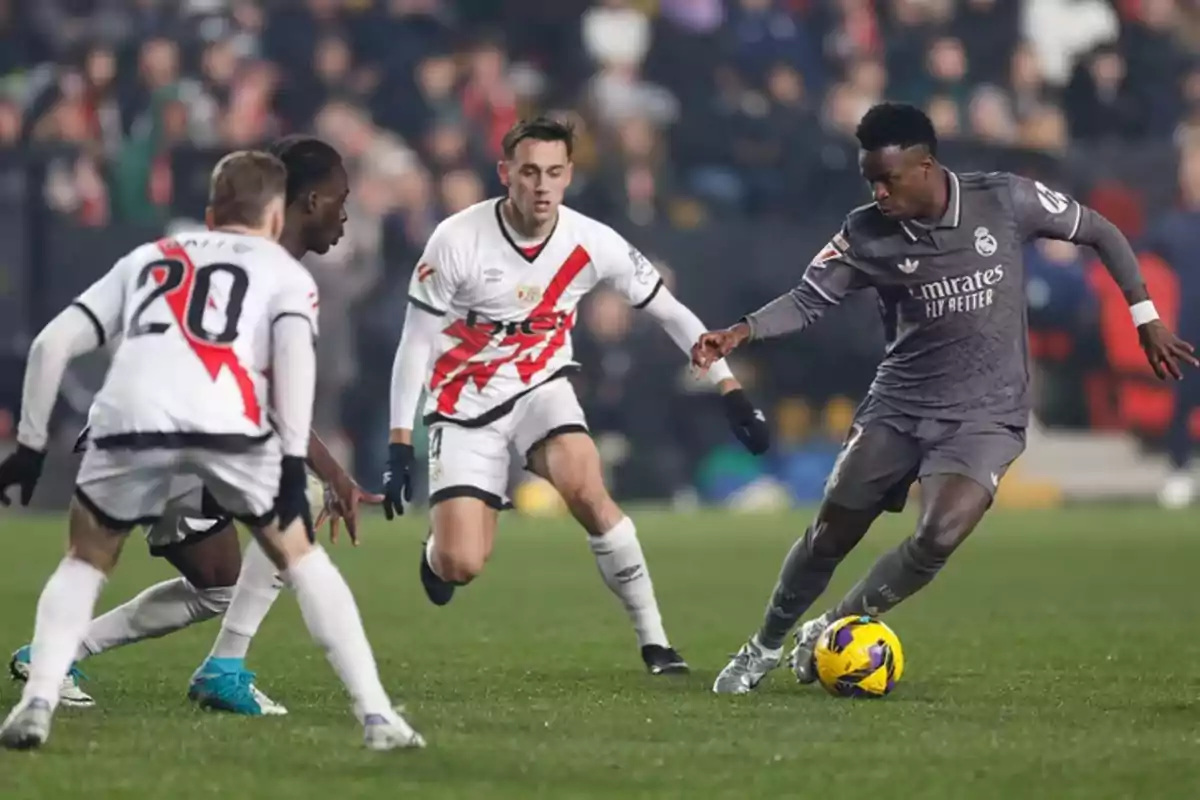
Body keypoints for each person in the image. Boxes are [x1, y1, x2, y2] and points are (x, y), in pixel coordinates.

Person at [697, 102, 1196, 695]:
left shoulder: (1005, 199)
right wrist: (741, 330)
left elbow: (1100, 231)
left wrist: (1145, 316)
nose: (878, 193)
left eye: (889, 179)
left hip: (986, 415)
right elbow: (807, 300)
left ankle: (830, 627)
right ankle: (763, 645)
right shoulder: (864, 232)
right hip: (899, 406)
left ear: (926, 165)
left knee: (938, 533)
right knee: (830, 535)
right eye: (870, 181)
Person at [0, 150, 422, 751]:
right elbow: (290, 386)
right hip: (219, 428)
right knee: (301, 552)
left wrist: (30, 448)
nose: (347, 217)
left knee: (102, 564)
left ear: (209, 212)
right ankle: (375, 715)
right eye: (341, 202)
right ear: (282, 212)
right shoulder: (284, 277)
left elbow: (49, 344)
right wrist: (303, 475)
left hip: (125, 425)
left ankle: (39, 694)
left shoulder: (153, 256)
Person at [383, 117, 771, 675]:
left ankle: (656, 642)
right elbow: (414, 344)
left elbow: (673, 313)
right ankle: (438, 552)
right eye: (530, 172)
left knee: (587, 487)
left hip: (542, 389)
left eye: (555, 173)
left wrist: (730, 390)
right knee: (461, 563)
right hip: (464, 408)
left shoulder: (592, 241)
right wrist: (400, 444)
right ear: (505, 174)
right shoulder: (456, 240)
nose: (542, 185)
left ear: (569, 177)